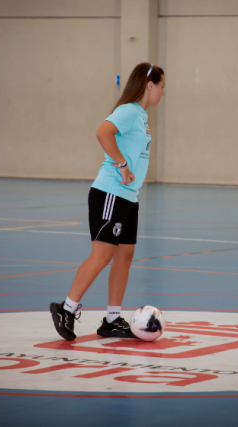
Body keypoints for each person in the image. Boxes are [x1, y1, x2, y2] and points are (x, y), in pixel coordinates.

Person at [50, 62, 165, 340]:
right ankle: (66, 309)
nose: (163, 92)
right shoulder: (128, 111)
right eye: (162, 86)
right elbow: (103, 132)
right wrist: (122, 163)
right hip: (110, 193)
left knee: (124, 256)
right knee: (102, 254)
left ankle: (112, 319)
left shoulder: (141, 117)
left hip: (129, 197)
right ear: (149, 85)